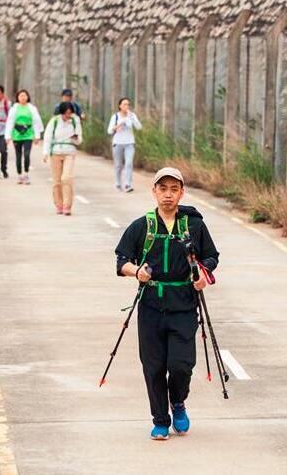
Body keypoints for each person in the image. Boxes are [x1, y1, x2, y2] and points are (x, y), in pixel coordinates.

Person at [114, 167, 219, 441]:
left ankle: (179, 403)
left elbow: (211, 256)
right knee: (154, 365)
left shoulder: (194, 225)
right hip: (150, 305)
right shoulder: (142, 226)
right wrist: (136, 272)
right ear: (154, 192)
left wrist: (203, 275)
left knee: (182, 365)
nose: (168, 195)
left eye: (174, 189)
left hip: (184, 304)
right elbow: (121, 259)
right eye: (163, 189)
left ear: (181, 193)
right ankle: (160, 420)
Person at [42, 101, 82, 215]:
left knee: (67, 178)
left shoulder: (75, 121)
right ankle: (58, 204)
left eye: (70, 113)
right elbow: (48, 137)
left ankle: (67, 205)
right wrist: (45, 152)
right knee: (57, 181)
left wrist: (75, 138)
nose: (68, 116)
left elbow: (79, 140)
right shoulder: (54, 121)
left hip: (69, 151)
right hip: (55, 152)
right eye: (66, 113)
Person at [4, 89, 43, 185]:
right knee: (18, 156)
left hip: (28, 134)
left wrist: (37, 136)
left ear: (27, 97)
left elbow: (36, 122)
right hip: (17, 134)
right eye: (21, 96)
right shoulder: (14, 108)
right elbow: (10, 122)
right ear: (17, 97)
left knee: (26, 154)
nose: (23, 97)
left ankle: (26, 174)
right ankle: (19, 175)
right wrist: (7, 136)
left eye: (24, 95)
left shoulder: (32, 108)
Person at [107, 97, 142, 193]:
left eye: (128, 104)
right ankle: (118, 183)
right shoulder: (115, 116)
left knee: (129, 163)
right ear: (120, 106)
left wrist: (131, 117)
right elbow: (109, 131)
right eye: (124, 104)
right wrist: (118, 126)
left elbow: (139, 127)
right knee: (118, 165)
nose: (126, 106)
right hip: (117, 143)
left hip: (129, 143)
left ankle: (128, 184)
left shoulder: (132, 115)